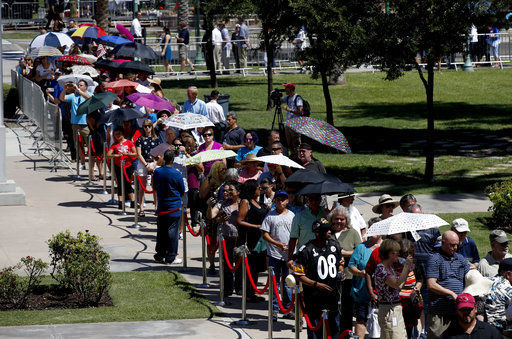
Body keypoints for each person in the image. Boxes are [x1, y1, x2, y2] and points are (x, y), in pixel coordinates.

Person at [293, 218, 343, 339]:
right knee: (315, 329)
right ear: (317, 232)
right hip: (314, 297)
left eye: (330, 229)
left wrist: (340, 272)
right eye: (326, 230)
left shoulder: (335, 245)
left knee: (335, 326)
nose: (330, 232)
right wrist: (316, 284)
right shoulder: (306, 250)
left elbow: (340, 262)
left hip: (332, 295)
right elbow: (298, 275)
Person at [426, 230, 470, 338]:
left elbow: (470, 271)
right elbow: (431, 284)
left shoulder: (459, 258)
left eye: (457, 245)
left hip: (457, 310)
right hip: (439, 311)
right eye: (452, 245)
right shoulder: (435, 259)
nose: (455, 248)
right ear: (443, 242)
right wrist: (451, 293)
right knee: (437, 336)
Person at [261, 190, 294, 320]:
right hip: (274, 254)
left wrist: (291, 249)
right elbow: (265, 234)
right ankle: (274, 309)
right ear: (275, 201)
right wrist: (276, 243)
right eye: (278, 199)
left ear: (287, 201)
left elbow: (295, 234)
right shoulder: (270, 216)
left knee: (288, 282)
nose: (280, 201)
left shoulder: (292, 215)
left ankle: (287, 308)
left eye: (283, 199)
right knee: (274, 282)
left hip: (288, 255)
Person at [328, 205, 361, 333]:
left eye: (342, 219)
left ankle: (346, 333)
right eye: (336, 219)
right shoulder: (328, 232)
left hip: (348, 275)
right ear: (332, 219)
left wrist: (344, 253)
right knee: (332, 307)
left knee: (347, 308)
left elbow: (359, 251)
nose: (339, 221)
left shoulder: (352, 232)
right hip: (330, 275)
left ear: (346, 220)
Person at [348, 217, 383, 339]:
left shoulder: (387, 248)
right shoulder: (361, 248)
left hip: (382, 292)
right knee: (361, 320)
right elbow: (351, 266)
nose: (374, 231)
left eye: (377, 228)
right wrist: (360, 273)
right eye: (372, 228)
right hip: (362, 292)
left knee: (383, 321)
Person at [374, 239, 414, 339]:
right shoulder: (381, 269)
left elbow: (400, 286)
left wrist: (407, 269)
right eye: (397, 253)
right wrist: (406, 266)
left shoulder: (390, 268)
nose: (398, 256)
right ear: (391, 254)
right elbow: (396, 284)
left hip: (395, 308)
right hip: (388, 310)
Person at [237, 180, 268, 302]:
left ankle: (253, 292)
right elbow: (240, 220)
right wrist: (256, 226)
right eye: (258, 187)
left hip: (260, 239)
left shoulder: (259, 202)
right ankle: (248, 293)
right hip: (250, 239)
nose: (260, 189)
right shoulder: (246, 202)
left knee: (257, 268)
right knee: (251, 267)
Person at [207, 180, 241, 296]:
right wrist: (210, 207)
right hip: (225, 237)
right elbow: (211, 215)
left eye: (231, 190)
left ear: (238, 192)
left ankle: (239, 287)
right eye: (227, 190)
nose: (228, 192)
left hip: (239, 238)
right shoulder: (222, 203)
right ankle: (227, 288)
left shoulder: (243, 204)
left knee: (239, 264)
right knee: (226, 263)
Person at [152, 150, 185, 264]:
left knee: (161, 231)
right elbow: (181, 189)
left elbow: (154, 185)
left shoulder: (158, 171)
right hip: (173, 206)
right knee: (172, 232)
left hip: (162, 205)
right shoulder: (176, 173)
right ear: (173, 159)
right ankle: (171, 255)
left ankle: (160, 253)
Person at [59, 80, 92, 170]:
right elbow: (62, 98)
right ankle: (82, 163)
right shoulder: (73, 95)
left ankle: (92, 164)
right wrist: (65, 89)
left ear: (85, 87)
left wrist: (79, 90)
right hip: (75, 124)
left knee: (90, 145)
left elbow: (89, 99)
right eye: (78, 85)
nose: (78, 86)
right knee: (78, 145)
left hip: (85, 124)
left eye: (81, 85)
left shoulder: (89, 94)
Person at [287, 194, 326, 268]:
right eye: (311, 199)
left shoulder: (326, 214)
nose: (314, 202)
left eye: (316, 199)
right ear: (308, 200)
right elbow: (293, 238)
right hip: (305, 255)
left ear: (320, 200)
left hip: (323, 254)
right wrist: (290, 258)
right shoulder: (299, 217)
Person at [107, 127, 137, 209]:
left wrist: (128, 154)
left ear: (123, 134)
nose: (117, 136)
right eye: (115, 134)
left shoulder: (129, 142)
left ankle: (132, 201)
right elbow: (108, 155)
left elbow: (135, 153)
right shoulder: (114, 145)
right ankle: (120, 202)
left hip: (128, 165)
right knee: (120, 183)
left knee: (127, 183)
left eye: (119, 134)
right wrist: (115, 155)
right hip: (118, 166)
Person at [136, 119, 161, 217]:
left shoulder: (156, 139)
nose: (147, 128)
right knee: (142, 187)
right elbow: (139, 154)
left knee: (155, 186)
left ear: (152, 127)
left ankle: (156, 207)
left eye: (149, 126)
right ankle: (141, 208)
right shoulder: (140, 139)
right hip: (143, 163)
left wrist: (154, 164)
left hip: (154, 162)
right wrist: (146, 165)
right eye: (145, 126)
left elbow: (159, 154)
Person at [482, 257, 512, 331]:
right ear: (508, 274)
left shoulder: (487, 280)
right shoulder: (508, 288)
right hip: (500, 331)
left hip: (481, 327)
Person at [281, 82, 303, 157]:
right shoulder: (287, 98)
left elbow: (300, 112)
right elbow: (279, 101)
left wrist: (289, 110)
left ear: (290, 89)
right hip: (288, 124)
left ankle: (298, 157)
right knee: (289, 143)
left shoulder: (297, 98)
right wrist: (274, 95)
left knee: (296, 143)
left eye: (286, 88)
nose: (285, 90)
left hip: (295, 124)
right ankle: (293, 156)